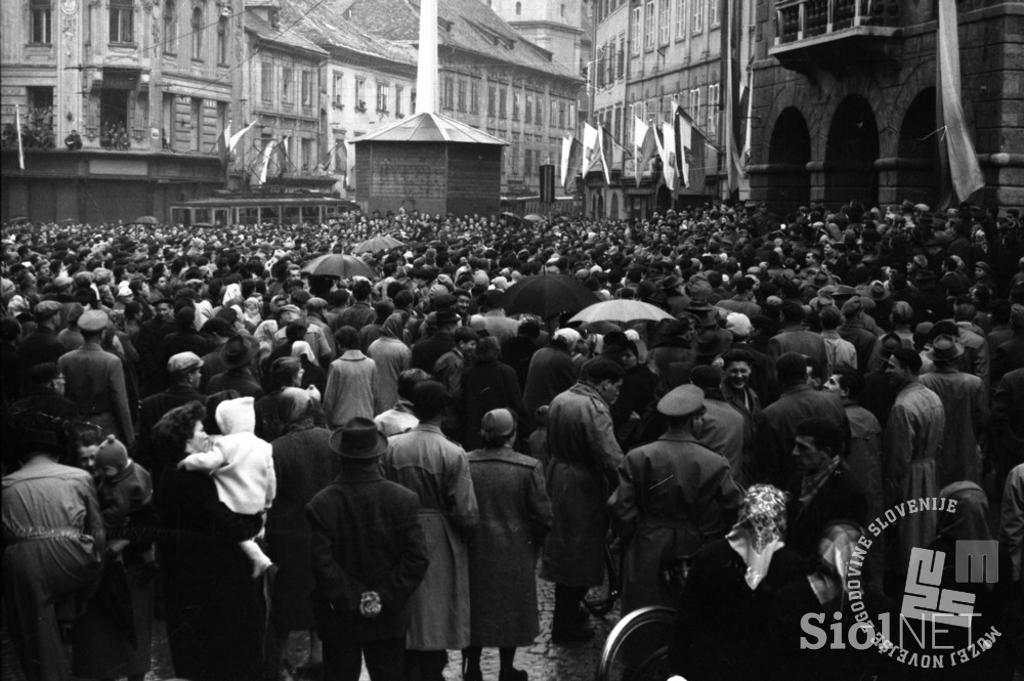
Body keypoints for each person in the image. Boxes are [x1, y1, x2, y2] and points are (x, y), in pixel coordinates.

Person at [306, 417, 429, 681]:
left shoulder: (322, 503)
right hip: (389, 615)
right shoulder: (403, 499)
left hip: (338, 616)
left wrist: (354, 597)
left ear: (341, 456)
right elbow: (417, 559)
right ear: (377, 456)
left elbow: (322, 564)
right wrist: (382, 596)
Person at [152, 401, 267, 681]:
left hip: (192, 579)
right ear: (185, 439)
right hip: (211, 580)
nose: (207, 435)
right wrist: (255, 523)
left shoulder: (174, 473)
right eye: (201, 430)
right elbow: (221, 518)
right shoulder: (189, 477)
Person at [611, 384, 742, 614]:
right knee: (687, 608)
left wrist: (631, 534)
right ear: (696, 420)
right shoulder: (714, 462)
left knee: (643, 607)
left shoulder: (639, 456)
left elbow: (620, 505)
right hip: (694, 543)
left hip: (647, 541)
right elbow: (734, 507)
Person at [382, 380, 478, 681]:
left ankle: (406, 665)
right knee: (436, 607)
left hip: (398, 529)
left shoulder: (392, 447)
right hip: (439, 533)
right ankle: (431, 670)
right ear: (443, 411)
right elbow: (465, 510)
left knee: (405, 601)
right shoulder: (452, 452)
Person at [2, 414, 105, 681]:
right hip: (74, 557)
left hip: (26, 560)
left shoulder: (7, 485)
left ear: (21, 458)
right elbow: (98, 530)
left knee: (37, 635)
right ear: (57, 456)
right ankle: (71, 612)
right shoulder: (80, 476)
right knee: (74, 576)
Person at [668, 484, 804, 681]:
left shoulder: (710, 556)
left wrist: (677, 668)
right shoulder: (792, 566)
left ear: (743, 515)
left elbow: (687, 617)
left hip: (707, 665)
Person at [462, 409, 553, 681]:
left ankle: (473, 667)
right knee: (510, 609)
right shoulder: (528, 467)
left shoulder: (466, 463)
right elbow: (544, 515)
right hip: (514, 548)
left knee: (474, 607)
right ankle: (506, 668)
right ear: (511, 436)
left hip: (475, 548)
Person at [542, 358, 624, 643]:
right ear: (604, 383)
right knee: (580, 552)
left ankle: (567, 615)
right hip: (583, 485)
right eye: (616, 387)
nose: (617, 394)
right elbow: (609, 455)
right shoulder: (594, 408)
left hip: (559, 475)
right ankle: (565, 623)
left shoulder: (561, 398)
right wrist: (625, 484)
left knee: (565, 547)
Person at [265, 387, 341, 679]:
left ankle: (280, 660)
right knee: (322, 592)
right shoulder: (331, 440)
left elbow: (270, 497)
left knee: (285, 599)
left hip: (289, 534)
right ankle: (318, 655)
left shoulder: (276, 448)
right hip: (327, 529)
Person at [71, 435, 156, 681]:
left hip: (130, 564)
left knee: (135, 636)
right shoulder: (97, 479)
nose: (89, 464)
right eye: (84, 459)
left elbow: (146, 520)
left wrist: (120, 541)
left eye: (92, 457)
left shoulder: (127, 482)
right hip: (104, 564)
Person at [178, 395, 277, 578]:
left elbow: (211, 461)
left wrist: (190, 461)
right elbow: (270, 479)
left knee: (237, 529)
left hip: (232, 501)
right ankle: (258, 552)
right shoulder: (264, 446)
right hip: (256, 503)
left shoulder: (226, 444)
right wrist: (268, 502)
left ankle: (255, 555)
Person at [883, 347, 944, 570]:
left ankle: (911, 586)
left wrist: (891, 493)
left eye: (892, 366)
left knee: (910, 533)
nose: (887, 371)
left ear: (907, 369)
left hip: (910, 475)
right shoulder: (932, 396)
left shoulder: (902, 406)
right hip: (929, 468)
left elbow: (897, 458)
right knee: (926, 528)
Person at [752, 352, 848, 487]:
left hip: (791, 487)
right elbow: (846, 442)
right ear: (805, 375)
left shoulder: (769, 415)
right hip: (833, 480)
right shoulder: (833, 400)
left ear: (778, 378)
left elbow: (767, 465)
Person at [785, 418, 867, 560]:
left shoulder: (848, 492)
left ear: (826, 452)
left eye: (803, 447)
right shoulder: (797, 480)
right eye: (795, 445)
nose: (795, 452)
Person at [918, 334, 989, 486]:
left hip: (934, 447)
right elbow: (982, 418)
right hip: (966, 445)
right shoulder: (974, 383)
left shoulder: (923, 381)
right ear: (957, 358)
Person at [59, 309, 135, 445]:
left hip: (75, 426)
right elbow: (120, 402)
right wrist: (129, 437)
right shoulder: (111, 361)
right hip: (105, 428)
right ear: (103, 333)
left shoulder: (64, 360)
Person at [324, 325, 377, 428]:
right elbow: (376, 394)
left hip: (341, 421)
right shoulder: (371, 364)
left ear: (340, 345)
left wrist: (326, 420)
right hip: (366, 420)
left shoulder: (336, 366)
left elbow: (329, 399)